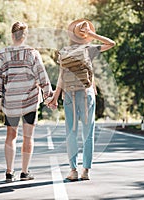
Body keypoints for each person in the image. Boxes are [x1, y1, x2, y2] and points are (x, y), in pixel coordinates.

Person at [48, 19, 115, 181]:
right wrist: (92, 35)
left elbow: (62, 77)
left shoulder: (64, 51)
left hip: (69, 94)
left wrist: (54, 98)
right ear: (85, 35)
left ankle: (73, 170)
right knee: (88, 133)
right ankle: (86, 170)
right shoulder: (89, 49)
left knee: (71, 132)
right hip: (86, 94)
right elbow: (111, 43)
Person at [0, 21, 53, 182]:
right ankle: (24, 172)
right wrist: (49, 96)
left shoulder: (3, 54)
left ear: (12, 35)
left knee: (10, 136)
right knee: (27, 137)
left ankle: (9, 172)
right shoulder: (32, 53)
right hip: (29, 101)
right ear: (25, 36)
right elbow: (42, 76)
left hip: (10, 102)